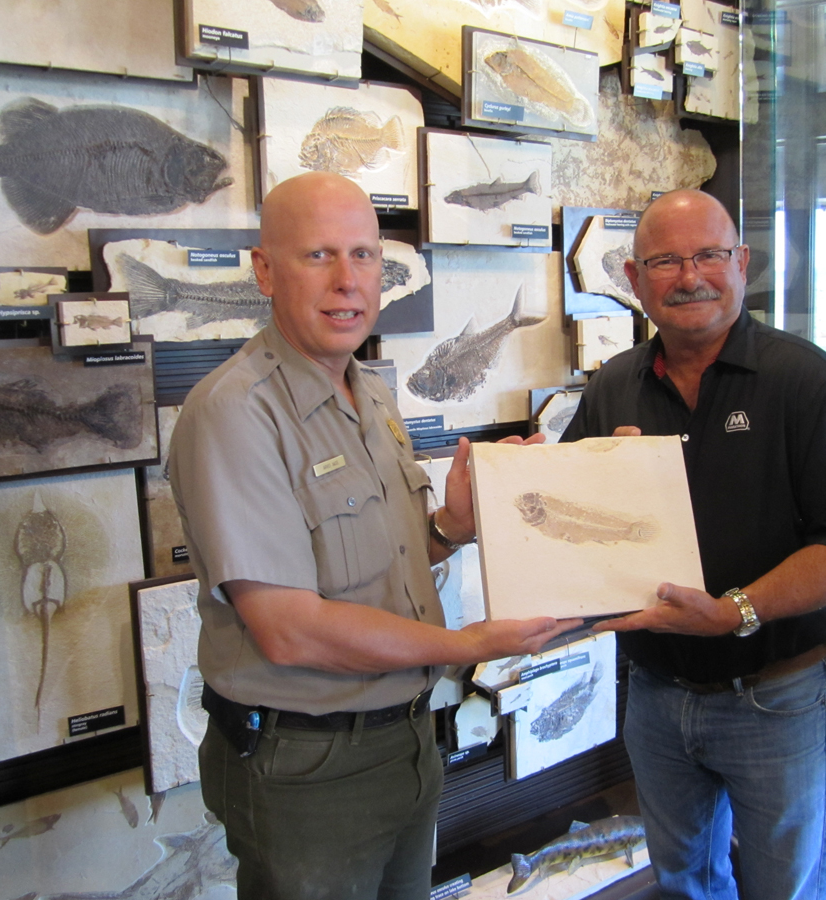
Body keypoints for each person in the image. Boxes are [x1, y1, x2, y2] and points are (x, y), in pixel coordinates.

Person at [168, 171, 580, 900]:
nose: (347, 281)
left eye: (363, 256)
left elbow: (377, 558)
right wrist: (470, 646)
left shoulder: (370, 390)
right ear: (265, 269)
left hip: (407, 742)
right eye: (318, 255)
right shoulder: (234, 413)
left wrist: (452, 525)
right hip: (309, 769)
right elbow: (291, 631)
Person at [561, 189, 826, 900]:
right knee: (683, 880)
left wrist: (734, 611)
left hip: (773, 700)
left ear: (741, 263)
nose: (689, 275)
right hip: (653, 695)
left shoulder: (807, 381)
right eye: (664, 261)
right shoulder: (614, 387)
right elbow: (566, 514)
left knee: (787, 885)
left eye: (709, 254)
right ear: (631, 278)